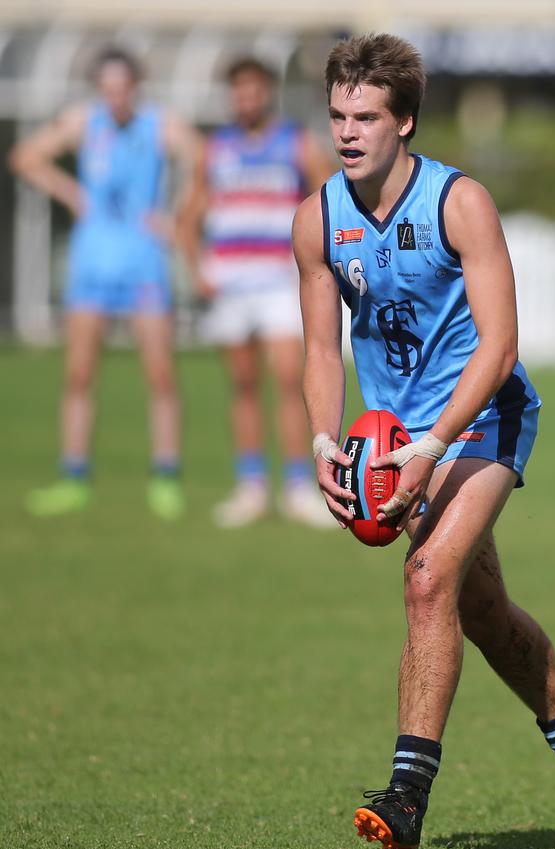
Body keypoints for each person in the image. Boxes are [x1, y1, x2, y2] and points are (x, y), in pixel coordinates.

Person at [293, 33, 555, 849]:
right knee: (479, 611)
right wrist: (324, 440)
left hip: (481, 420)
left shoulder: (458, 202)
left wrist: (434, 445)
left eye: (365, 115)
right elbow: (320, 351)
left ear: (404, 121)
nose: (347, 130)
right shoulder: (317, 220)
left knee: (426, 579)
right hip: (403, 437)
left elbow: (499, 347)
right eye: (338, 114)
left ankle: (406, 795)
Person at [10, 46, 199, 520]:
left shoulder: (159, 124)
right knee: (78, 374)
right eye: (107, 87)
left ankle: (166, 475)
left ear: (135, 87)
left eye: (123, 87)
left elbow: (204, 159)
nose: (116, 96)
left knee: (160, 374)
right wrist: (70, 192)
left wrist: (177, 213)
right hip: (92, 266)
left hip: (144, 266)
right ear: (99, 88)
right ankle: (74, 475)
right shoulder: (82, 122)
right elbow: (25, 156)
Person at [180, 57, 334, 527]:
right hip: (230, 281)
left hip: (280, 281)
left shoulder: (294, 142)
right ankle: (251, 487)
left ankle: (297, 487)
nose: (247, 99)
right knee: (243, 385)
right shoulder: (216, 148)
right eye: (238, 91)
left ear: (268, 92)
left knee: (291, 381)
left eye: (254, 90)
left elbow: (331, 198)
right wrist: (195, 269)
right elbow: (189, 215)